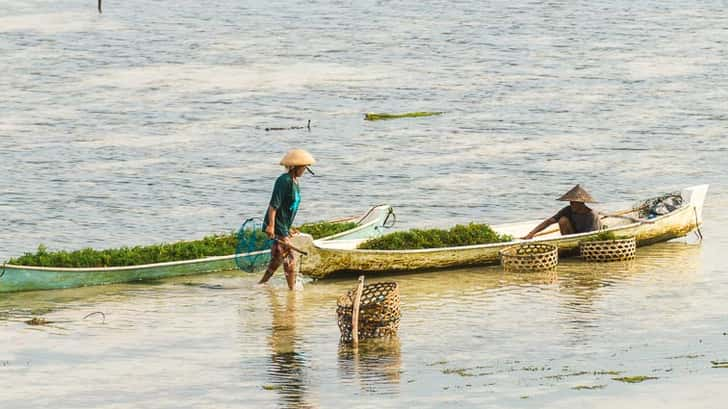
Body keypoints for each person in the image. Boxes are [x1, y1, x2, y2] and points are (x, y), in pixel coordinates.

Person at [258, 149, 315, 290]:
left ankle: (261, 284)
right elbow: (273, 206)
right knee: (290, 258)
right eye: (303, 167)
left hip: (283, 226)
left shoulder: (295, 182)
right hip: (276, 226)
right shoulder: (284, 181)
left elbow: (288, 208)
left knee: (277, 258)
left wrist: (288, 227)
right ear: (295, 167)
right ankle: (292, 291)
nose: (304, 170)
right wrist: (271, 226)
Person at [522, 184, 602, 240]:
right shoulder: (568, 209)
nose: (571, 204)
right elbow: (549, 221)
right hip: (573, 237)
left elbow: (590, 235)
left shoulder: (591, 215)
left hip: (586, 239)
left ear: (581, 203)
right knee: (563, 220)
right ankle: (568, 243)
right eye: (571, 202)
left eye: (574, 203)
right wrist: (531, 233)